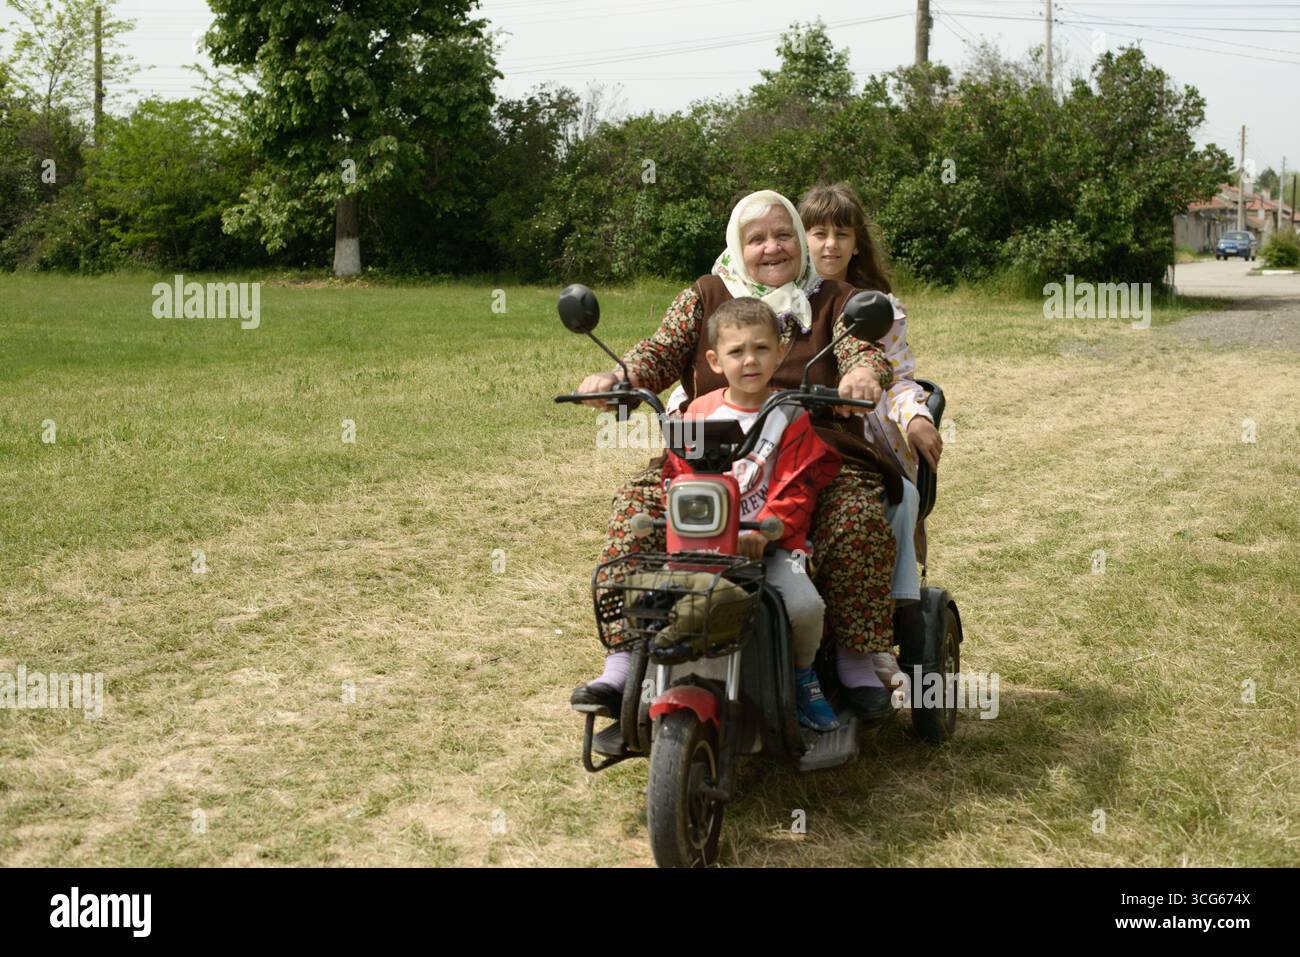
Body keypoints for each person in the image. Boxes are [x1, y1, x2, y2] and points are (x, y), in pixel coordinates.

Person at [569, 189, 900, 720]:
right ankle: (625, 657)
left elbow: (862, 351)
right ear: (737, 245)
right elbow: (659, 351)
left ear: (799, 237)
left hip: (809, 448)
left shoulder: (833, 297)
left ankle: (856, 658)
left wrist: (863, 374)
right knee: (637, 505)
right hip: (711, 449)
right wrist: (619, 380)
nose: (772, 247)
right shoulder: (705, 294)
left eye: (783, 234)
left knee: (856, 515)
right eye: (757, 238)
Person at [663, 297, 842, 730]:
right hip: (702, 546)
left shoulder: (789, 413)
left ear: (780, 352)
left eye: (761, 349)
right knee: (654, 601)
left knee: (804, 606)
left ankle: (802, 677)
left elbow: (798, 485)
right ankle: (634, 676)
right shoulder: (698, 413)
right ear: (715, 360)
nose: (750, 360)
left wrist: (766, 532)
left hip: (772, 545)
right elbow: (679, 475)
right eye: (737, 351)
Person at [799, 183, 944, 709]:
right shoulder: (782, 296)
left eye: (842, 233)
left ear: (858, 242)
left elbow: (899, 377)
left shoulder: (877, 307)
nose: (830, 245)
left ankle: (883, 627)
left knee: (899, 496)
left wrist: (916, 415)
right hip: (793, 437)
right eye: (819, 233)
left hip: (863, 438)